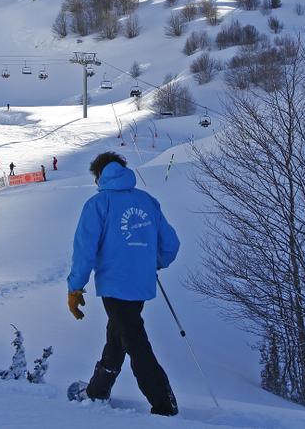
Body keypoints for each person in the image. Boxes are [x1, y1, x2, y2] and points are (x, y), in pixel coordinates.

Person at [66, 151, 180, 416]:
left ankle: (164, 403)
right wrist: (153, 263)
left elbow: (85, 250)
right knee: (119, 335)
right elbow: (171, 245)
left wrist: (75, 287)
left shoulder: (98, 204)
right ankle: (97, 391)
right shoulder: (148, 201)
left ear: (99, 175)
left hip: (114, 285)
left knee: (134, 341)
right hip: (141, 284)